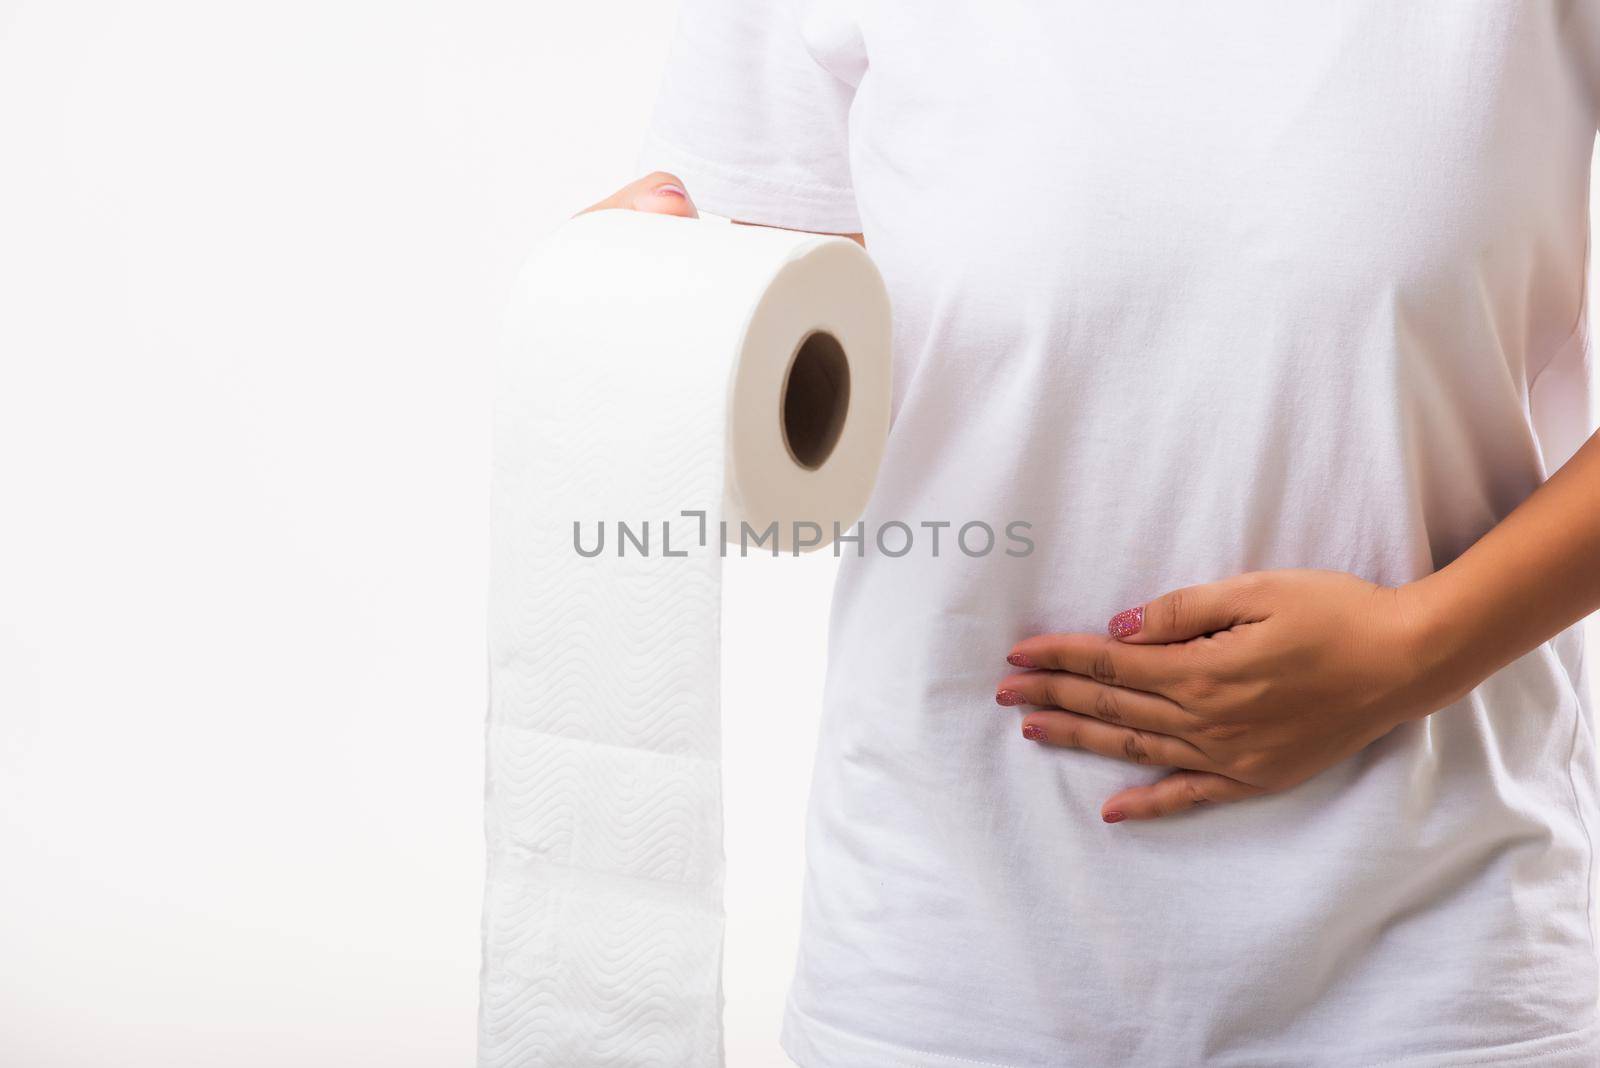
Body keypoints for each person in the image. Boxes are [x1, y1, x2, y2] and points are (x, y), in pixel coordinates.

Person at [586, 4, 1600, 1064]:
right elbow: (774, 328)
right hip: (946, 939)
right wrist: (645, 318)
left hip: (1436, 943)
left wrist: (1418, 647)